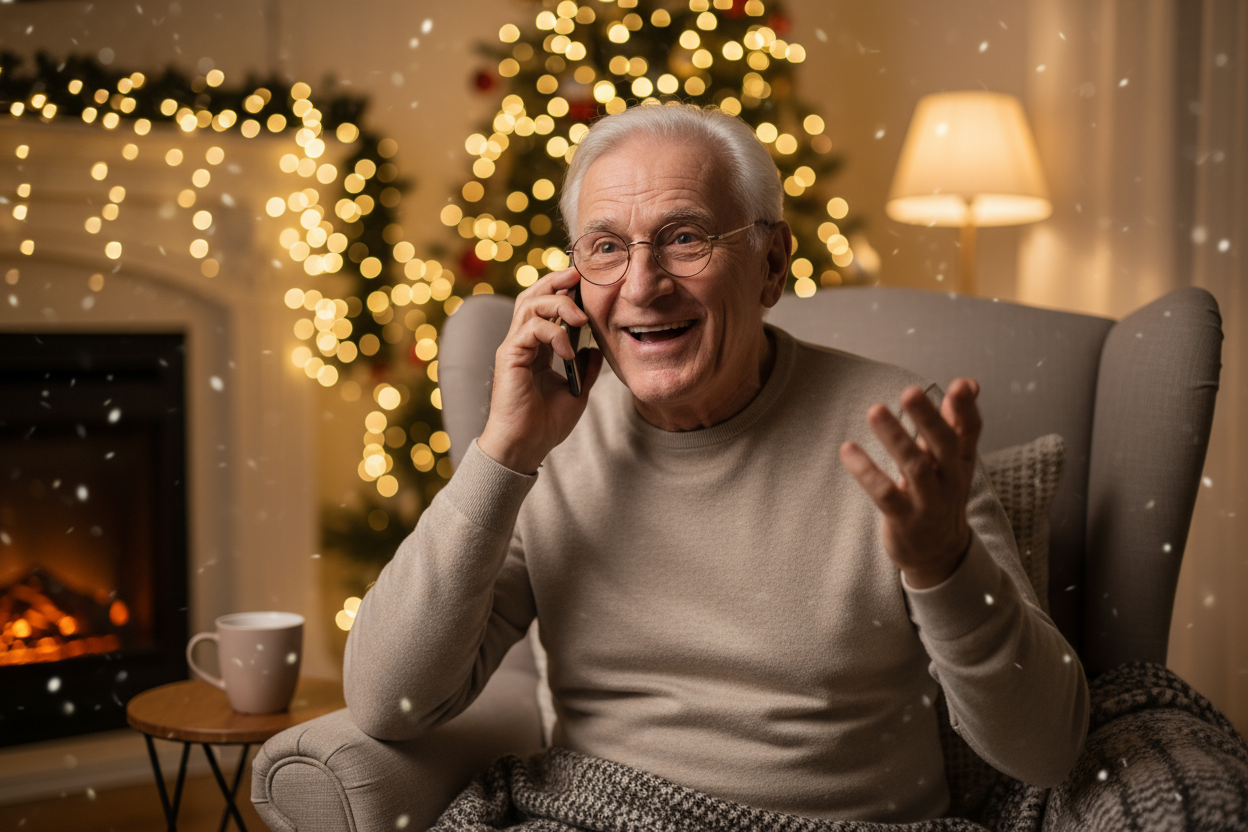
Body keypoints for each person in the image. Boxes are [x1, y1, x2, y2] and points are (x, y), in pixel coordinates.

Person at [344, 103, 1089, 823]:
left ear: (771, 265)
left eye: (685, 238)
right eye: (605, 247)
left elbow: (1046, 750)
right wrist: (503, 451)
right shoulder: (546, 441)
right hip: (600, 819)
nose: (642, 285)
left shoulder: (895, 424)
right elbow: (387, 700)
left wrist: (946, 567)